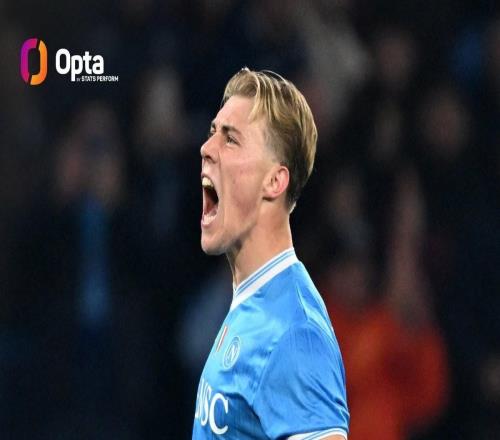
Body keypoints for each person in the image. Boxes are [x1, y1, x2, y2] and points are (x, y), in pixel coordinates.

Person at [192, 68, 349, 439]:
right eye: (213, 132)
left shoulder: (294, 333)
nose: (206, 148)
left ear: (275, 181)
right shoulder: (255, 302)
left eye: (231, 139)